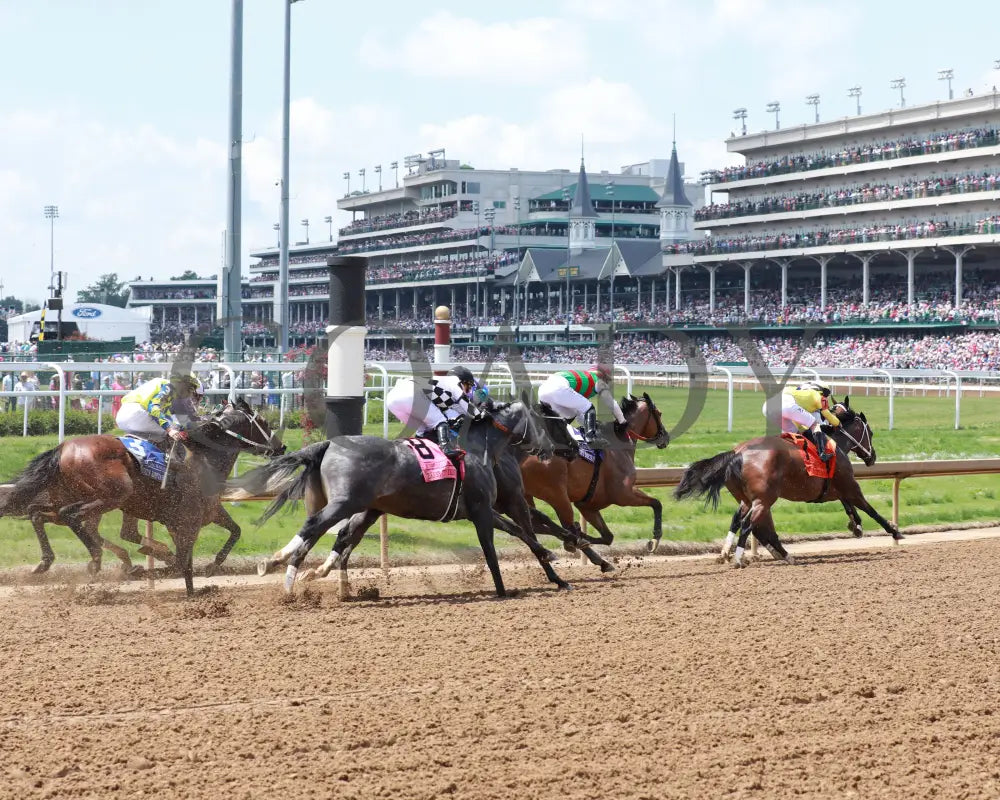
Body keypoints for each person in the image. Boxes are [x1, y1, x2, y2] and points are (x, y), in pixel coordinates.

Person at [385, 365, 480, 457]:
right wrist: (482, 415)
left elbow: (452, 410)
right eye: (468, 386)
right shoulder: (454, 382)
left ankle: (419, 452)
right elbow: (467, 407)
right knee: (440, 421)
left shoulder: (441, 385)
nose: (468, 390)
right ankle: (446, 448)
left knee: (422, 429)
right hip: (411, 394)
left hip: (391, 400)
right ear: (462, 381)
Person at [536, 364, 625, 449]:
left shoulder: (583, 379)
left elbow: (578, 414)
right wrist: (623, 422)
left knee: (570, 414)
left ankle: (553, 436)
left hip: (542, 391)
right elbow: (612, 404)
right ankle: (591, 439)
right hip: (558, 389)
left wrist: (593, 425)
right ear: (603, 376)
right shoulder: (598, 381)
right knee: (589, 407)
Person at [115, 372, 200, 450]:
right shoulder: (169, 387)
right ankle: (167, 463)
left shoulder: (167, 390)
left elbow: (166, 417)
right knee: (175, 432)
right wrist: (170, 429)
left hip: (124, 416)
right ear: (182, 384)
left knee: (168, 429)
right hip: (136, 414)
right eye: (190, 388)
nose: (190, 393)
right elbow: (153, 408)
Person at [766, 380, 840, 462]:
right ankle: (822, 454)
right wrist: (838, 423)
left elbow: (798, 420)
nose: (826, 397)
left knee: (792, 433)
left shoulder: (797, 392)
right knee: (815, 425)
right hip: (787, 407)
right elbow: (828, 415)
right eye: (826, 393)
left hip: (768, 406)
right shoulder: (817, 396)